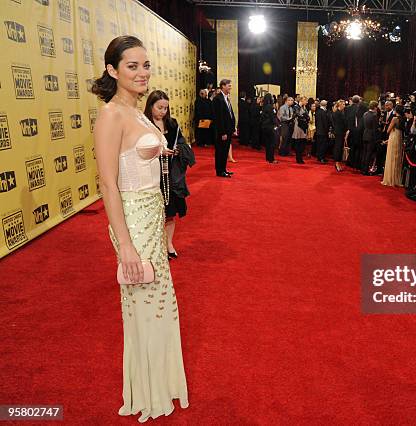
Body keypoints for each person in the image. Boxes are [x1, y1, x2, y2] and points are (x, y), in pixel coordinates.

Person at [91, 35, 188, 422]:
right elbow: (108, 184)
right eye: (133, 66)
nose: (143, 72)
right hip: (132, 220)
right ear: (113, 71)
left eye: (145, 65)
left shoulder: (139, 112)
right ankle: (148, 390)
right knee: (146, 304)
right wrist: (126, 246)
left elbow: (138, 155)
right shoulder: (112, 114)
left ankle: (160, 382)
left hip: (151, 212)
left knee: (161, 303)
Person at [144, 90, 195, 260]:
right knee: (154, 215)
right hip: (150, 176)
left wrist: (178, 150)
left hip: (171, 177)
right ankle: (155, 247)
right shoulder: (143, 125)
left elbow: (182, 143)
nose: (163, 111)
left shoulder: (173, 124)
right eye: (159, 107)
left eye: (166, 108)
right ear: (150, 106)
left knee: (170, 213)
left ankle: (169, 244)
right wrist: (158, 152)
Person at [212, 79, 236, 178]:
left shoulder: (226, 98)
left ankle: (223, 169)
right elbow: (219, 118)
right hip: (223, 132)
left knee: (225, 151)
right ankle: (219, 171)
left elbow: (229, 114)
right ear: (223, 86)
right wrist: (223, 132)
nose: (230, 87)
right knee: (221, 151)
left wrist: (232, 127)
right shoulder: (218, 99)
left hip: (228, 130)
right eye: (229, 86)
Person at [381, 105, 405, 187]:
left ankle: (390, 179)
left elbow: (388, 130)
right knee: (397, 158)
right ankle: (396, 179)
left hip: (394, 136)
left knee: (391, 157)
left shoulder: (395, 119)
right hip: (399, 137)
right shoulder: (403, 119)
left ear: (396, 110)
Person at [361, 101, 379, 174]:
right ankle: (365, 171)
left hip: (365, 134)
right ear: (375, 107)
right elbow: (375, 128)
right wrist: (376, 139)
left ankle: (363, 169)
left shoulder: (365, 114)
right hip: (371, 136)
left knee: (364, 153)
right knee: (368, 154)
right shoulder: (374, 115)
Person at [260, 93, 278, 163]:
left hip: (264, 127)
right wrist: (277, 125)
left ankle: (268, 158)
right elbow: (273, 117)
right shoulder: (270, 107)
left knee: (267, 143)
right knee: (272, 143)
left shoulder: (263, 106)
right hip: (270, 127)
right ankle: (271, 159)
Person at [332, 100, 348, 172]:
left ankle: (338, 162)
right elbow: (339, 124)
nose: (344, 106)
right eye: (343, 104)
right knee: (338, 148)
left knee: (339, 147)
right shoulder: (337, 113)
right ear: (340, 105)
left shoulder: (340, 113)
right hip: (339, 132)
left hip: (340, 132)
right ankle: (337, 163)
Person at [292, 96, 308, 164]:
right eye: (306, 101)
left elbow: (306, 116)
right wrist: (304, 116)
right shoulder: (296, 107)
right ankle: (298, 158)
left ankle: (300, 157)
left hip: (303, 126)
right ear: (302, 100)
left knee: (302, 142)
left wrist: (305, 117)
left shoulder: (304, 107)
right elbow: (298, 115)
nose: (307, 102)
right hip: (298, 126)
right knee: (298, 142)